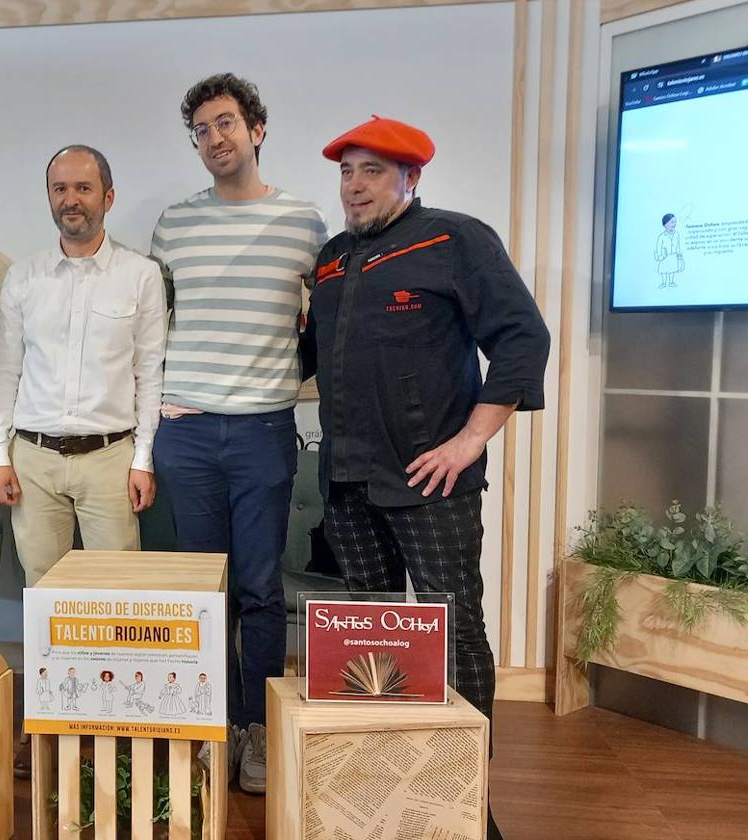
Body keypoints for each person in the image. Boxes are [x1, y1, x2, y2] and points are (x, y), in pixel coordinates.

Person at [301, 115, 550, 840]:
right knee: (375, 642)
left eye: (371, 171)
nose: (354, 186)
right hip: (348, 484)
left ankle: (466, 795)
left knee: (455, 633)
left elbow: (521, 337)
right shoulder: (331, 259)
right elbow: (314, 359)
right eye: (347, 172)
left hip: (431, 483)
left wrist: (471, 440)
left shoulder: (457, 239)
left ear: (412, 178)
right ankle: (388, 787)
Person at [150, 73, 328, 794]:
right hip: (186, 432)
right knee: (202, 590)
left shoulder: (305, 223)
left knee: (257, 587)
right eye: (201, 129)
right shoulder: (172, 224)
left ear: (256, 129)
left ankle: (255, 728)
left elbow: (333, 318)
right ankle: (209, 723)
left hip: (262, 429)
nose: (214, 138)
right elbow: (149, 324)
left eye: (225, 123)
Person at [0, 145, 167, 584]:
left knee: (119, 590)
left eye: (84, 188)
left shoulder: (141, 275)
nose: (71, 199)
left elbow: (149, 375)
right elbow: (4, 373)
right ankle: (52, 660)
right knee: (45, 587)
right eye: (60, 188)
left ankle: (115, 659)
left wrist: (143, 459)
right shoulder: (24, 278)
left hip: (111, 459)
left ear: (108, 197)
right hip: (33, 460)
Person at [655, 212, 684, 288]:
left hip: (673, 255)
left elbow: (678, 246)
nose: (674, 224)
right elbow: (658, 247)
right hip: (664, 256)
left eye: (675, 222)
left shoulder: (676, 234)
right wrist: (659, 256)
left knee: (672, 270)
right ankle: (664, 282)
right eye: (672, 222)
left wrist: (679, 255)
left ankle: (671, 282)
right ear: (665, 224)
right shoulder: (661, 236)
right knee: (664, 270)